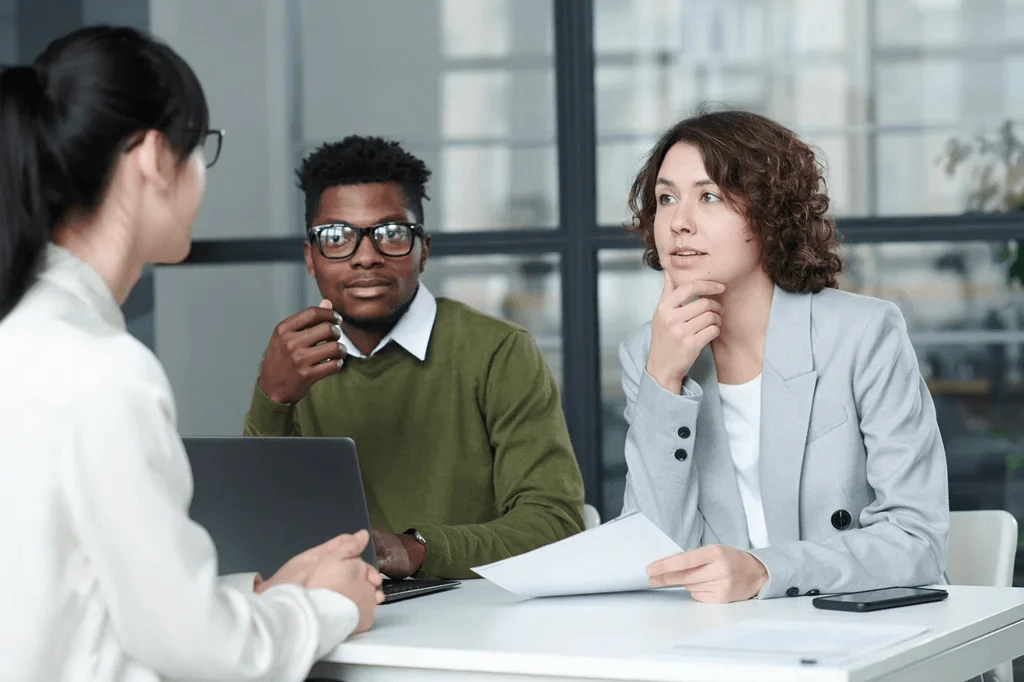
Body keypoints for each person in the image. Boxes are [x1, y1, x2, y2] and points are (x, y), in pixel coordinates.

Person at [0, 26, 382, 682]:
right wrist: (324, 608)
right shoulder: (103, 369)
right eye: (201, 150)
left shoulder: (27, 337)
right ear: (152, 158)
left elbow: (76, 600)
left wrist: (260, 595)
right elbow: (204, 654)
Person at [618, 109, 949, 603]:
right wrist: (663, 380)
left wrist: (764, 571)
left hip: (861, 633)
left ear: (770, 215)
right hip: (721, 646)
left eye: (708, 196)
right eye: (666, 199)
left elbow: (916, 541)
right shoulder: (646, 353)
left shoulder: (863, 334)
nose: (679, 223)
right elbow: (655, 556)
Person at [243, 135, 585, 579]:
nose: (365, 257)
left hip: (473, 619)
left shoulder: (499, 352)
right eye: (336, 236)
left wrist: (419, 549)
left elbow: (556, 524)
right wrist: (273, 399)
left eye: (390, 233)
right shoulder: (293, 361)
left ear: (423, 249)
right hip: (337, 612)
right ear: (311, 258)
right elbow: (258, 524)